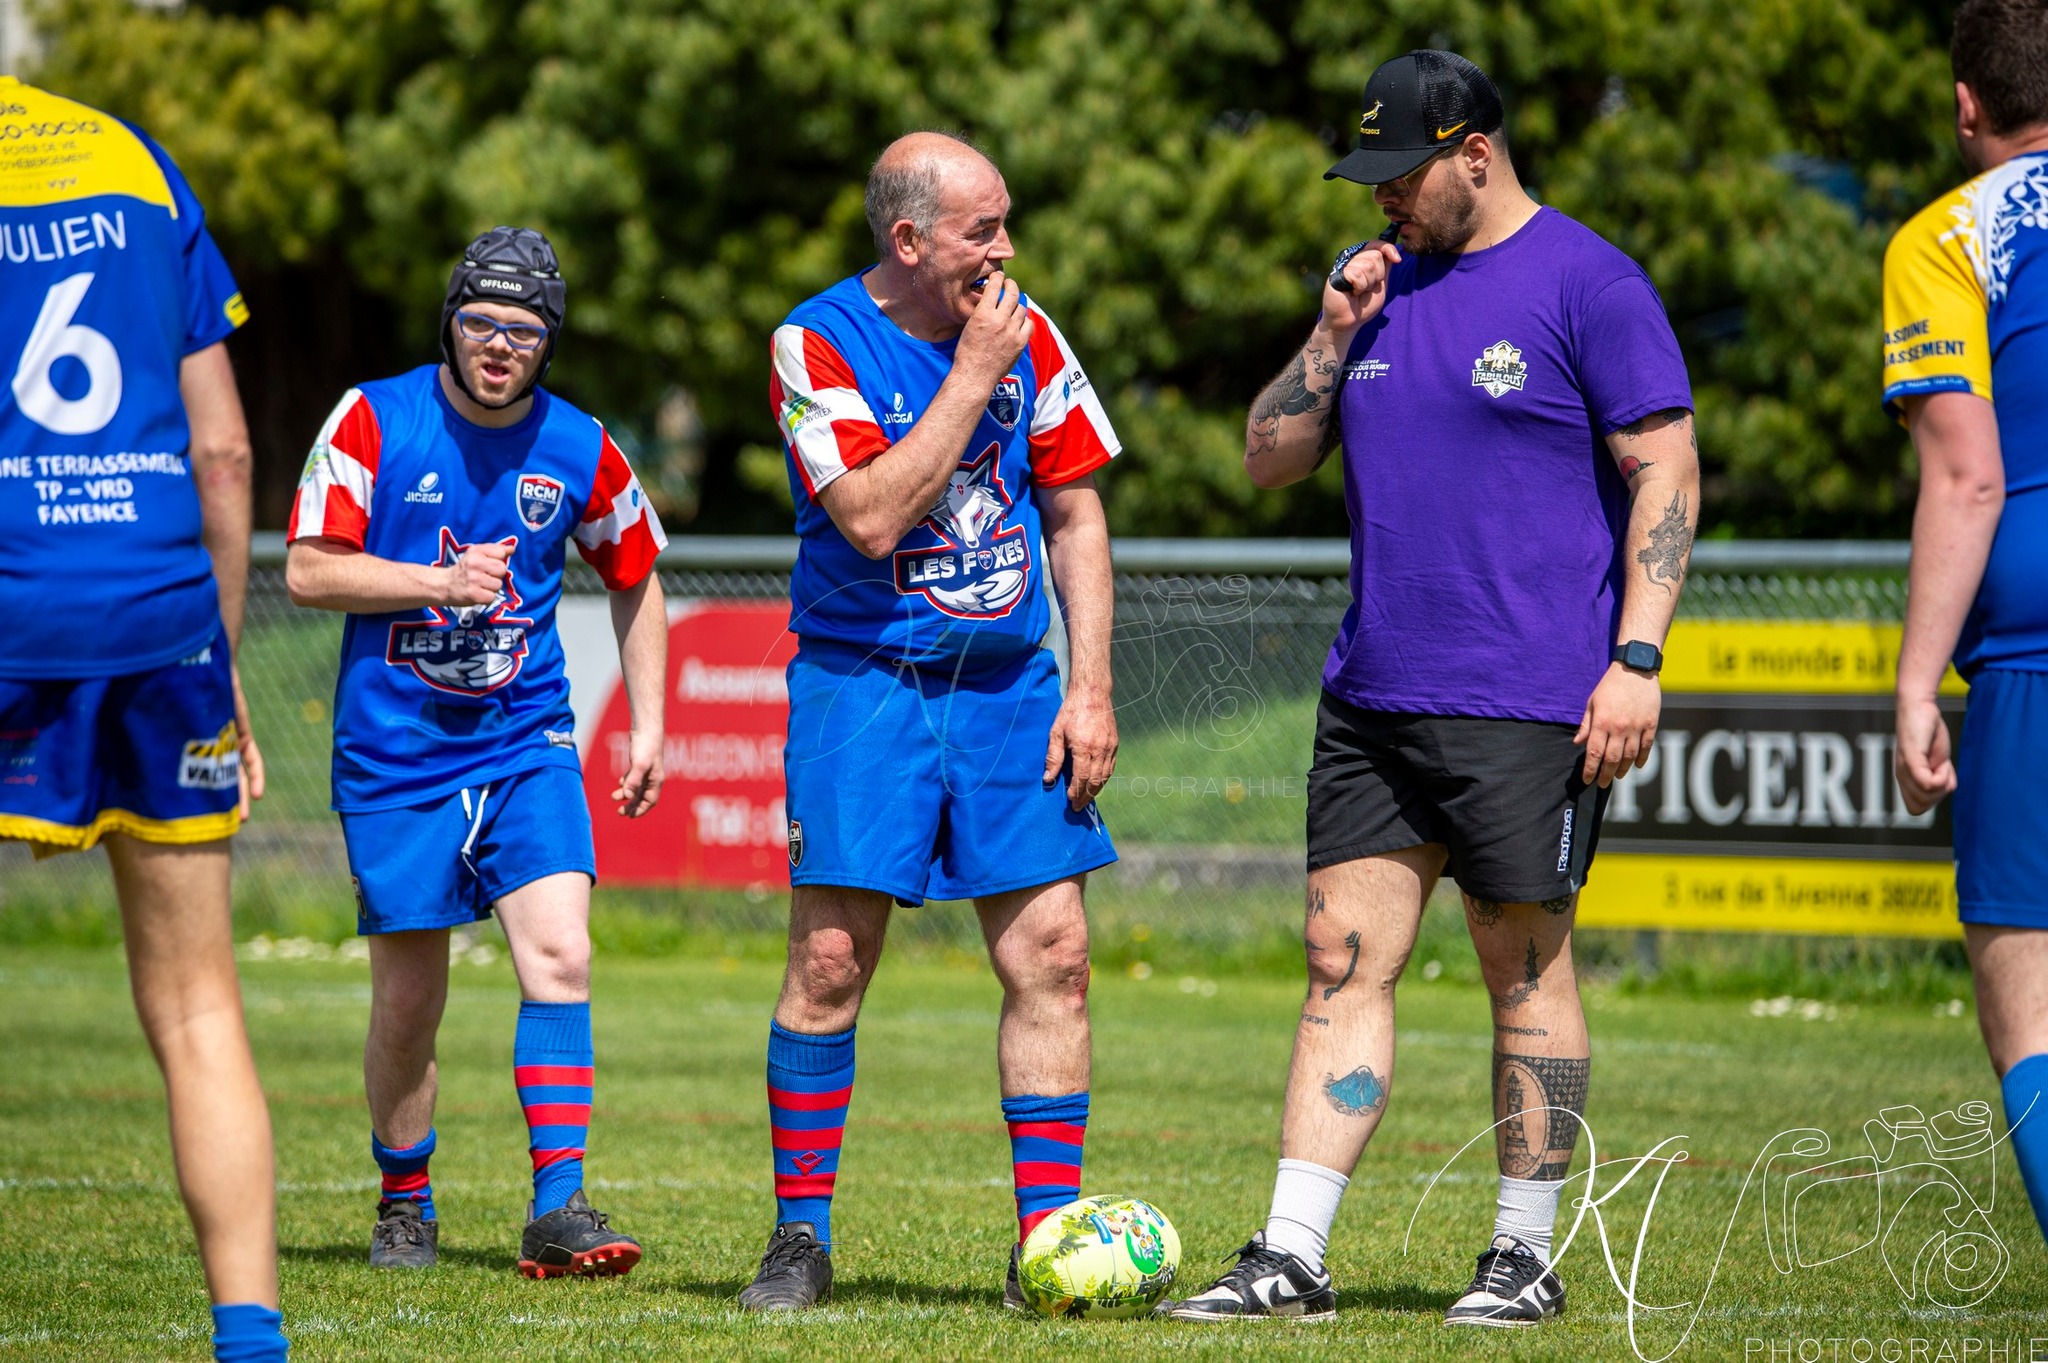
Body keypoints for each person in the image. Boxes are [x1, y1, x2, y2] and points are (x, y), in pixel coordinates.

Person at [1165, 51, 1700, 1326]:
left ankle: (1521, 1256)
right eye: (1368, 178)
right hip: (1374, 693)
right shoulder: (1372, 291)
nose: (1381, 201)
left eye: (1399, 176)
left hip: (1529, 698)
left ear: (1474, 154)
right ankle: (1290, 1252)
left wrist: (1635, 660)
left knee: (1519, 970)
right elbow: (1265, 461)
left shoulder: (1590, 281)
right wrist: (1328, 331)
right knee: (1338, 962)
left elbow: (1665, 478)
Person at [738, 131, 1121, 1312]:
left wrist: (1090, 684)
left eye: (1004, 225)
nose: (1003, 251)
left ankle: (1045, 1245)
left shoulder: (1026, 329)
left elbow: (1075, 514)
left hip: (1009, 690)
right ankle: (800, 1237)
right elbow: (866, 515)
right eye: (979, 230)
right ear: (906, 241)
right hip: (866, 687)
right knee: (831, 961)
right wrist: (969, 374)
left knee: (1053, 956)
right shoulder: (813, 343)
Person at [285, 226, 668, 1278]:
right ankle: (404, 1198)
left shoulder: (580, 442)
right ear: (449, 321)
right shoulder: (374, 417)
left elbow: (634, 571)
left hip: (525, 739)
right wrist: (434, 584)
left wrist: (648, 720)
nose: (500, 345)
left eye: (524, 329)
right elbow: (310, 573)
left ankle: (557, 1205)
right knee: (410, 1000)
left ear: (548, 342)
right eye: (481, 322)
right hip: (395, 752)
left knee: (561, 954)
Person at [0, 76, 288, 1362]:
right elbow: (222, 451)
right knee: (197, 1010)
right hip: (162, 613)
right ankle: (249, 1339)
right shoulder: (129, 156)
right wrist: (217, 657)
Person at [1888, 0, 2048, 1253]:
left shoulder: (1947, 236)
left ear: (1964, 103)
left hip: (2032, 658)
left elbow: (1966, 478)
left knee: (2030, 1006)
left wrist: (1912, 681)